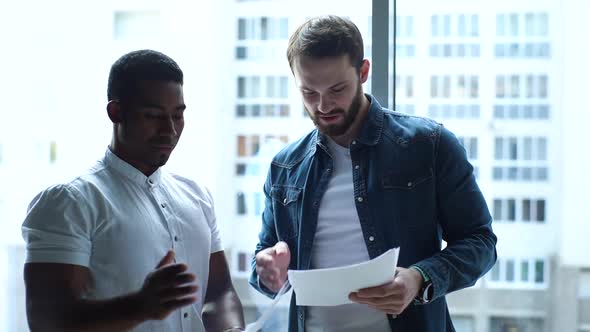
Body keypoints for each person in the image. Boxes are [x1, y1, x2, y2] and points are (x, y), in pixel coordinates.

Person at [250, 15, 497, 332]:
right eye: (309, 92)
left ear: (363, 71)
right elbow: (265, 265)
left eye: (337, 89)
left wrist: (419, 278)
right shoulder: (285, 167)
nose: (323, 105)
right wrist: (268, 271)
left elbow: (481, 243)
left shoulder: (429, 146)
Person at [22, 49, 245, 332]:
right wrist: (139, 306)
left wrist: (234, 329)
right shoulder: (68, 203)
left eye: (178, 115)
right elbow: (47, 322)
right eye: (153, 116)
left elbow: (219, 293)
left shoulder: (197, 197)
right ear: (115, 112)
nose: (170, 130)